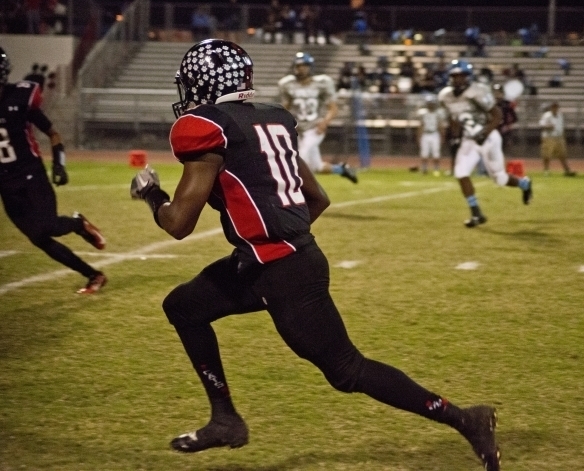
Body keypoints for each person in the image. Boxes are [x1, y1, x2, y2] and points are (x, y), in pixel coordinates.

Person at [130, 39, 501, 471]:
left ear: (207, 84)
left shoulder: (206, 127)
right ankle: (225, 419)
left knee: (347, 370)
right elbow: (317, 198)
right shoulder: (274, 119)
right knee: (183, 307)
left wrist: (152, 194)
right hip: (268, 261)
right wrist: (277, 233)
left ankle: (465, 419)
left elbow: (178, 224)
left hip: (282, 270)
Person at [0, 48, 107, 293]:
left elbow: (53, 133)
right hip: (6, 185)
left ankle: (79, 224)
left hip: (30, 177)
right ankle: (93, 275)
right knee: (39, 238)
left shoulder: (19, 98)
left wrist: (59, 163)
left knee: (47, 225)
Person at [438, 59, 533, 228]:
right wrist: (455, 138)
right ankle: (476, 213)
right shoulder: (445, 96)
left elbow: (497, 116)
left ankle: (524, 183)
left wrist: (485, 132)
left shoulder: (478, 91)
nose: (457, 79)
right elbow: (454, 118)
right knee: (460, 173)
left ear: (468, 77)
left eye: (461, 76)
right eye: (454, 76)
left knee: (500, 179)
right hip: (469, 139)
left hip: (488, 137)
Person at [278, 52, 358, 183]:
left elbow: (333, 108)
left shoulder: (321, 83)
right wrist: (287, 123)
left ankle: (302, 191)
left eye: (304, 65)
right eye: (298, 66)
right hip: (298, 129)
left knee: (302, 156)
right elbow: (285, 107)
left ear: (310, 67)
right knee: (318, 167)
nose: (301, 68)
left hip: (314, 127)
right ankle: (343, 169)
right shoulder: (287, 84)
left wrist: (324, 122)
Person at [539, 102, 576, 176]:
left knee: (562, 154)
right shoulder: (547, 116)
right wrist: (548, 126)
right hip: (549, 137)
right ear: (551, 108)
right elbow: (541, 124)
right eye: (553, 107)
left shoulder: (560, 115)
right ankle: (546, 170)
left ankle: (567, 170)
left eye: (556, 107)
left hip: (559, 136)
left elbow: (561, 126)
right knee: (547, 154)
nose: (555, 109)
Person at [416, 95, 445, 175]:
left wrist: (442, 135)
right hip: (426, 134)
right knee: (424, 153)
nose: (431, 105)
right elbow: (421, 125)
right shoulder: (423, 113)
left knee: (436, 152)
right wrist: (419, 136)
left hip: (434, 133)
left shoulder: (438, 113)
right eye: (429, 103)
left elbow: (440, 125)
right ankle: (424, 168)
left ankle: (436, 168)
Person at [492, 84, 518, 153]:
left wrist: (508, 126)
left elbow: (514, 117)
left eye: (499, 92)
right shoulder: (490, 104)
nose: (497, 95)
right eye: (495, 92)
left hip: (504, 130)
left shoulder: (507, 104)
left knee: (503, 150)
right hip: (492, 130)